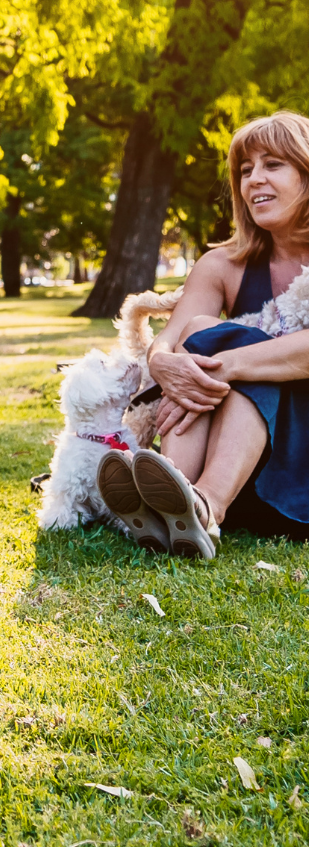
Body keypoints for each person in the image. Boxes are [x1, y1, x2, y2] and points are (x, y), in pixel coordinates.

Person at [103, 112, 309, 557]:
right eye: (245, 169)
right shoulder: (222, 265)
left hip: (301, 472)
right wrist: (163, 362)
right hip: (246, 470)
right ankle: (171, 493)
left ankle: (205, 505)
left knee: (238, 345)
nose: (254, 179)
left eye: (273, 164)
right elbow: (173, 338)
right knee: (200, 331)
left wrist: (229, 362)